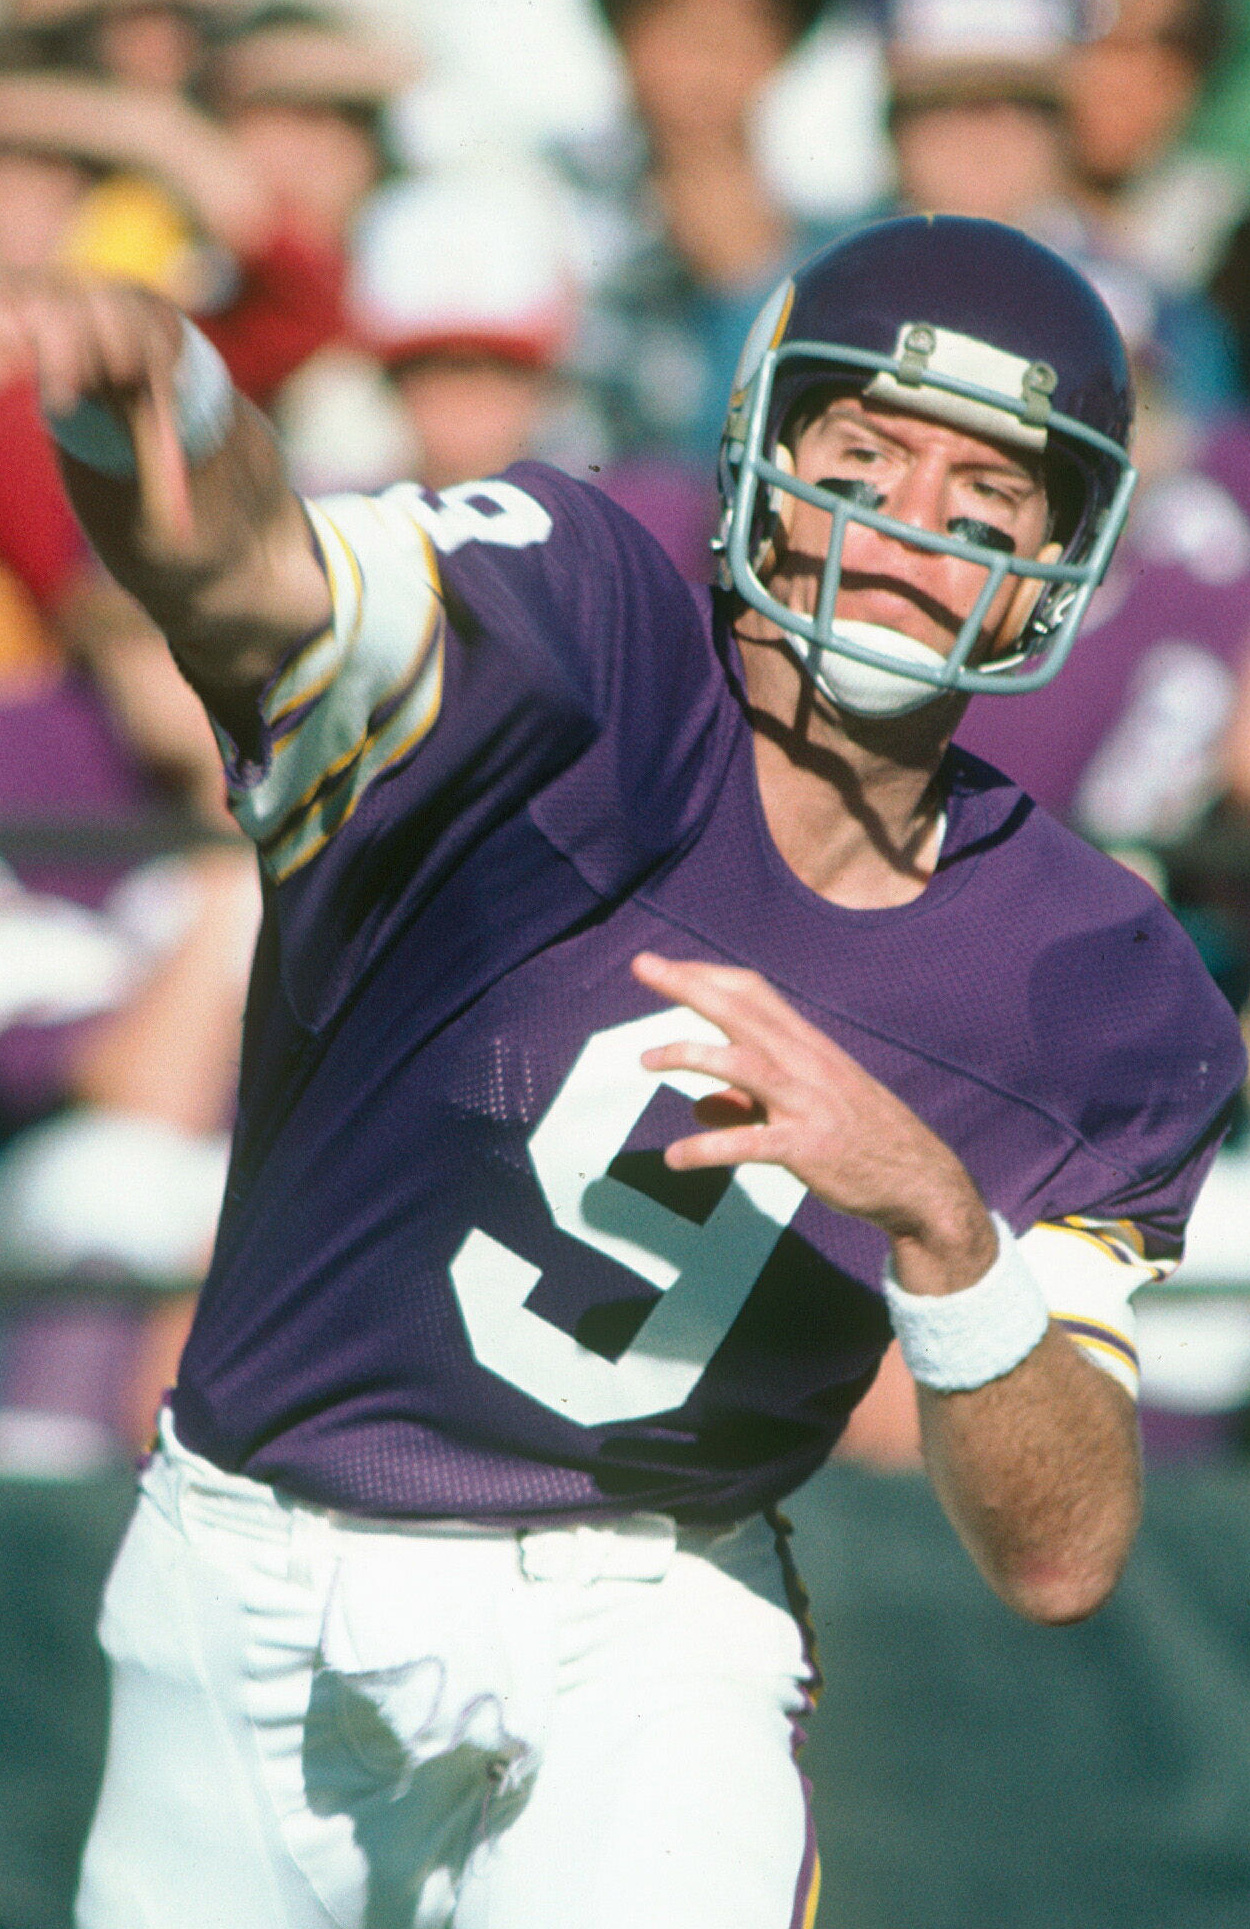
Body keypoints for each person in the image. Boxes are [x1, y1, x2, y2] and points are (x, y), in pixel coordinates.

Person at [6, 214, 1243, 1929]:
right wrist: (153, 415)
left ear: (1056, 559)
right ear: (759, 455)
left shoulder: (1094, 981)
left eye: (984, 498)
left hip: (648, 1613)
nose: (905, 530)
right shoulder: (578, 627)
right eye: (864, 454)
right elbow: (252, 575)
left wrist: (945, 1234)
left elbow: (1062, 1552)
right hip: (249, 1559)